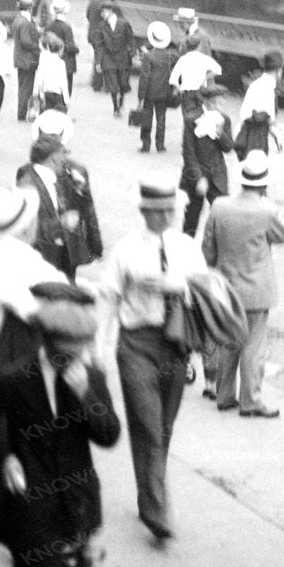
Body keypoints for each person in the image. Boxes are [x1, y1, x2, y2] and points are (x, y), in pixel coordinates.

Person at [0, 281, 121, 567]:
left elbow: (109, 435)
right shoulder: (15, 378)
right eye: (69, 352)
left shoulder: (90, 377)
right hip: (31, 508)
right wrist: (4, 458)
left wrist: (87, 396)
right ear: (48, 343)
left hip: (77, 506)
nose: (77, 358)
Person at [85, 180, 209, 542]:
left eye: (171, 210)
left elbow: (207, 289)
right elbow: (108, 298)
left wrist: (180, 287)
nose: (168, 216)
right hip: (136, 345)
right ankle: (158, 511)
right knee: (148, 425)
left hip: (175, 346)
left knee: (163, 428)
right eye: (160, 211)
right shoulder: (125, 251)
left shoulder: (187, 248)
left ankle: (148, 495)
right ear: (146, 212)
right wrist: (100, 351)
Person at [201, 151, 284, 417]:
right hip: (256, 290)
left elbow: (208, 248)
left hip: (226, 287)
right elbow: (283, 235)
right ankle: (250, 401)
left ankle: (224, 395)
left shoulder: (219, 206)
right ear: (264, 184)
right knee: (253, 346)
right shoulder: (267, 210)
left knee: (229, 341)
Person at [0, 186, 68, 396]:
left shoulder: (1, 253)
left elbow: (58, 282)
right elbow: (24, 304)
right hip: (0, 353)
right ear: (27, 227)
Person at [19, 112, 103, 282]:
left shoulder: (76, 169)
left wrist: (95, 245)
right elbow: (27, 223)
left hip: (69, 247)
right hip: (43, 250)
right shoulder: (27, 175)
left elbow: (88, 209)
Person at [179, 75, 235, 239]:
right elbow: (188, 152)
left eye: (221, 103)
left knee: (222, 215)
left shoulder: (224, 120)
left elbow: (229, 148)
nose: (219, 107)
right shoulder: (191, 120)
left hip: (217, 174)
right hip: (195, 174)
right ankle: (186, 249)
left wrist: (220, 133)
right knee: (192, 217)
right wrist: (198, 178)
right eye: (216, 103)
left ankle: (217, 251)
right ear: (207, 103)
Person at [136, 22, 180, 154]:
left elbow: (145, 77)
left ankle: (146, 145)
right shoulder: (169, 55)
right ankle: (160, 145)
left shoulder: (148, 56)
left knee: (147, 118)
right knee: (161, 118)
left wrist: (140, 96)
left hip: (150, 92)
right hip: (164, 91)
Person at [234, 52, 282, 157]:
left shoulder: (256, 84)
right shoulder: (268, 89)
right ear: (279, 71)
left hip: (245, 134)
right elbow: (267, 118)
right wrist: (277, 138)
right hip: (255, 136)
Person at [93, 1, 137, 118]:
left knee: (123, 83)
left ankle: (121, 99)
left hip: (123, 57)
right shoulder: (101, 26)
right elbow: (99, 45)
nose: (102, 14)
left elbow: (131, 39)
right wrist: (98, 61)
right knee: (112, 84)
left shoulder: (124, 24)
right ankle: (115, 108)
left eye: (104, 12)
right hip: (108, 58)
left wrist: (133, 51)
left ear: (110, 11)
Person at [12, 0, 42, 122]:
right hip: (27, 60)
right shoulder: (25, 22)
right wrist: (37, 47)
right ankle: (22, 113)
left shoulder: (18, 19)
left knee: (23, 86)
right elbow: (26, 42)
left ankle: (22, 111)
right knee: (26, 88)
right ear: (30, 7)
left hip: (21, 59)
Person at [34, 34, 70, 116]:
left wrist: (39, 93)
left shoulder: (44, 62)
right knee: (58, 116)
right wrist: (67, 99)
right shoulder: (61, 63)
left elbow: (40, 79)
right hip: (58, 94)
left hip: (46, 93)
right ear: (60, 50)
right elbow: (63, 82)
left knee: (46, 116)